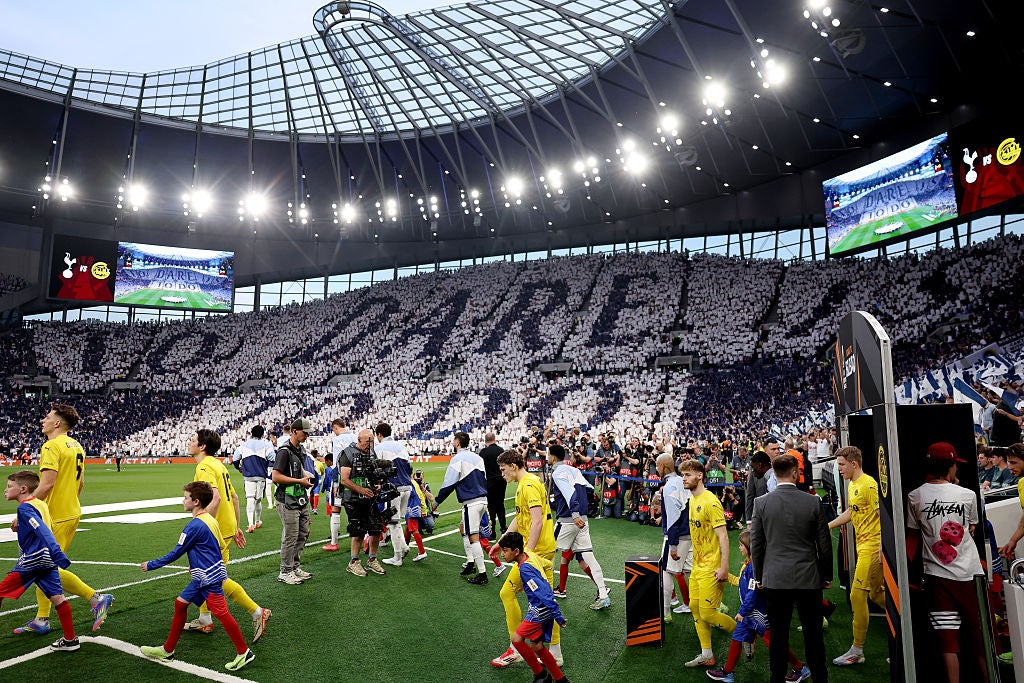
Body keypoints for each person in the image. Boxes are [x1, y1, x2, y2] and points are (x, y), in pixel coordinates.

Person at [15, 403, 113, 637]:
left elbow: (47, 484)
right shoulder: (76, 445)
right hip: (71, 512)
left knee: (44, 567)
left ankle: (96, 598)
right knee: (44, 566)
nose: (43, 420)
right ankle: (42, 618)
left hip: (54, 516)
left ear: (57, 423)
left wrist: (25, 512)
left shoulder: (51, 446)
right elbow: (81, 483)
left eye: (47, 417)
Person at [139, 481, 255, 672]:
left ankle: (244, 652)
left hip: (208, 577)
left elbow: (176, 552)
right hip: (205, 575)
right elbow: (218, 545)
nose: (183, 500)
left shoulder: (193, 526)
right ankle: (167, 650)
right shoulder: (210, 519)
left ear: (196, 502)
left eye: (186, 497)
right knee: (180, 604)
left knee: (221, 613)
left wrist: (151, 565)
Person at [907, 442, 988, 683]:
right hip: (970, 575)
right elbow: (971, 528)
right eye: (955, 465)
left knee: (947, 640)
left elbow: (913, 536)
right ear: (950, 466)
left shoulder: (915, 496)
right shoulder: (967, 494)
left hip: (937, 577)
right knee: (979, 637)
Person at [750, 453, 832, 683]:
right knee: (813, 635)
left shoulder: (761, 503)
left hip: (775, 578)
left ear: (775, 475)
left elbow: (757, 545)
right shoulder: (813, 502)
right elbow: (824, 544)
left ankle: (777, 679)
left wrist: (759, 576)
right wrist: (826, 575)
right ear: (795, 473)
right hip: (809, 578)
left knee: (778, 635)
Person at [183, 429, 270, 641]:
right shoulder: (219, 465)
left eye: (193, 440)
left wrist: (203, 528)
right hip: (226, 526)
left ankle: (257, 612)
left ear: (202, 446)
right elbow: (234, 498)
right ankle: (204, 618)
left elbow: (216, 498)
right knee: (203, 575)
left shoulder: (204, 467)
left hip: (216, 530)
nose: (189, 442)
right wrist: (237, 527)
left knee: (215, 578)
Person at [707, 529, 811, 683]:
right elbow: (745, 585)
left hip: (758, 614)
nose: (739, 547)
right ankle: (727, 672)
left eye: (741, 545)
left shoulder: (753, 567)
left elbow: (752, 593)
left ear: (749, 547)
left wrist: (742, 612)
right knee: (737, 638)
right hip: (750, 613)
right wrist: (727, 577)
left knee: (775, 644)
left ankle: (800, 668)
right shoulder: (749, 564)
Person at [491, 448, 563, 668]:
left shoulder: (529, 484)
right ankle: (555, 653)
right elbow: (520, 519)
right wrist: (502, 542)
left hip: (537, 552)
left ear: (513, 466)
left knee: (507, 592)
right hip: (542, 550)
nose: (502, 474)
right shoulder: (526, 483)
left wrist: (527, 554)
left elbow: (537, 521)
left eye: (503, 469)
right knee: (547, 600)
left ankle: (515, 649)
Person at [1, 470, 79, 652]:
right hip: (47, 560)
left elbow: (41, 529)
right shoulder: (38, 504)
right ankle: (70, 640)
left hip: (34, 560)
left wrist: (57, 551)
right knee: (58, 599)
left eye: (9, 486)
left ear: (23, 489)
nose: (5, 490)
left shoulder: (24, 508)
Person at [827, 446, 884, 666]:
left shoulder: (869, 485)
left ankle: (857, 650)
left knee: (857, 596)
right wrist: (828, 525)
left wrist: (882, 548)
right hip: (863, 546)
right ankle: (910, 623)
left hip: (872, 547)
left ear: (854, 463)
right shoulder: (852, 484)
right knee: (877, 596)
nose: (839, 469)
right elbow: (852, 512)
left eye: (841, 465)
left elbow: (882, 517)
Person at [679, 459, 735, 667]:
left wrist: (724, 567)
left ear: (700, 475)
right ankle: (707, 655)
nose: (684, 479)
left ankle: (745, 633)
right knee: (694, 606)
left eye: (687, 475)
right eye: (683, 475)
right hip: (697, 565)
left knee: (708, 613)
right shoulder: (693, 499)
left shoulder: (711, 501)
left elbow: (724, 537)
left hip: (712, 567)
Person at [497, 531, 569, 683]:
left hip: (539, 611)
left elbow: (544, 593)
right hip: (543, 609)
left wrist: (558, 616)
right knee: (537, 646)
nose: (502, 554)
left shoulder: (525, 570)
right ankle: (560, 679)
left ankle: (540, 675)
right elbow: (547, 565)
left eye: (505, 551)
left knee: (516, 639)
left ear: (516, 551)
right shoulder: (529, 557)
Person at [547, 444, 611, 610]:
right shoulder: (574, 470)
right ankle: (603, 594)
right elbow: (590, 489)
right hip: (583, 520)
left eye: (548, 455)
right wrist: (581, 509)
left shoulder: (557, 472)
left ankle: (544, 592)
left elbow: (569, 493)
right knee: (589, 558)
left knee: (545, 551)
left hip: (568, 520)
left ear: (552, 456)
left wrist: (574, 512)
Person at [436, 431, 490, 585]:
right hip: (482, 499)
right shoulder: (478, 458)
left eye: (454, 440)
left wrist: (437, 501)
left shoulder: (457, 459)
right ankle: (471, 562)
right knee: (464, 529)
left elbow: (449, 483)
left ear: (457, 442)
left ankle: (482, 574)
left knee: (473, 536)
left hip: (471, 502)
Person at [337, 428, 387, 577]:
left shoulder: (371, 453)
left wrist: (377, 485)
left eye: (372, 443)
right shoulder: (347, 453)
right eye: (367, 443)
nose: (370, 446)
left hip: (370, 498)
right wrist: (361, 490)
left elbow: (374, 473)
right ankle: (354, 562)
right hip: (353, 498)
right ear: (359, 440)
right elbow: (344, 479)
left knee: (376, 528)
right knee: (358, 531)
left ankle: (372, 560)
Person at [271, 418, 316, 584]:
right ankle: (285, 571)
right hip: (287, 499)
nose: (307, 435)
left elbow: (299, 466)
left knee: (303, 533)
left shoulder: (300, 449)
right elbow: (275, 476)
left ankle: (294, 566)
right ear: (295, 431)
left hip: (299, 497)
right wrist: (299, 481)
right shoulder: (284, 451)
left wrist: (304, 476)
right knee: (291, 536)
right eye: (305, 432)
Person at [656, 453, 692, 621]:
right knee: (693, 574)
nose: (657, 470)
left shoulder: (669, 486)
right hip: (691, 534)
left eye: (658, 466)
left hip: (678, 536)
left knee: (666, 572)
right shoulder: (683, 481)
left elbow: (672, 518)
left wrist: (672, 545)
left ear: (663, 466)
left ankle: (665, 613)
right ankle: (710, 606)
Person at [375, 422, 414, 567]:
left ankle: (397, 558)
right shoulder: (401, 446)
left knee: (393, 523)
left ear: (379, 434)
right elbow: (410, 467)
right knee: (397, 521)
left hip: (393, 489)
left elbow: (376, 470)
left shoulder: (379, 448)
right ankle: (403, 547)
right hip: (407, 487)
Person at [232, 425, 274, 533]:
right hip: (261, 476)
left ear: (251, 433)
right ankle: (257, 521)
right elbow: (273, 458)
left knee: (250, 499)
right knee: (258, 499)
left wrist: (239, 468)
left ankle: (250, 524)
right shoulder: (266, 445)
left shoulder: (244, 445)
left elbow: (235, 459)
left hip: (248, 477)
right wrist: (267, 468)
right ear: (262, 434)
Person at [480, 432, 508, 540]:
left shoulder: (483, 452)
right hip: (501, 480)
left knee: (491, 507)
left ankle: (492, 533)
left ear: (485, 441)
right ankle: (504, 528)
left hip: (489, 482)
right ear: (494, 439)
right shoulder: (501, 450)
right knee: (500, 504)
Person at [998, 444, 1024, 560]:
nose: (1009, 467)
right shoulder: (1021, 484)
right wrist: (1013, 540)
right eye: (1009, 462)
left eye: (1013, 462)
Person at [744, 450, 771, 527]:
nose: (777, 451)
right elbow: (750, 494)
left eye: (777, 449)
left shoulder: (776, 477)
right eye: (773, 449)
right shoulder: (756, 471)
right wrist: (749, 520)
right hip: (761, 517)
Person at [322, 453, 341, 552]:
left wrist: (324, 488)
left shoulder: (331, 469)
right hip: (354, 482)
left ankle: (334, 542)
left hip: (335, 487)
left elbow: (327, 480)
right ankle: (366, 538)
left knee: (334, 512)